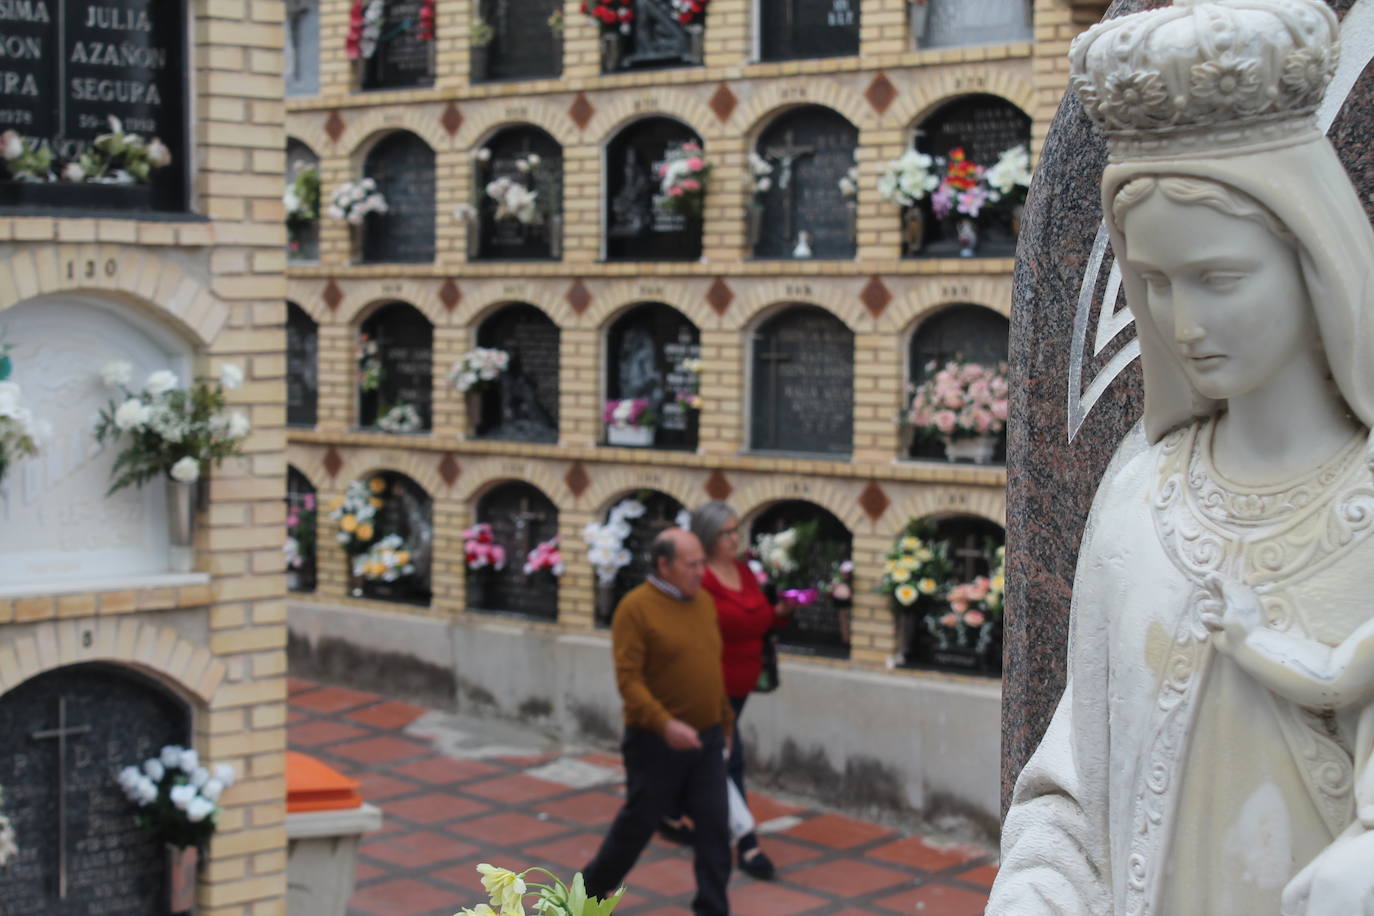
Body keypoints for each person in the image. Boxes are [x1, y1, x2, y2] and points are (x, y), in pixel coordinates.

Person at [989, 1, 1374, 913]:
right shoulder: (1142, 493)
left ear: (1312, 257)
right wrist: (1035, 888)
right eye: (1154, 285)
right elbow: (1073, 785)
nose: (1185, 325)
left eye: (1221, 279)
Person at [582, 527, 734, 916]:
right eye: (692, 564)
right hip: (656, 742)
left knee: (715, 828)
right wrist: (666, 724)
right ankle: (582, 901)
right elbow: (628, 680)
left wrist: (725, 725)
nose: (702, 572)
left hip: (707, 739)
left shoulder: (702, 603)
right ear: (664, 565)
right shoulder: (635, 608)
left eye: (703, 562)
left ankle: (713, 908)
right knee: (637, 827)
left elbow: (711, 667)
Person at [681, 500, 789, 880]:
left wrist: (785, 609)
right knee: (730, 758)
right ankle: (746, 843)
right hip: (711, 686)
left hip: (744, 685)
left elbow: (757, 616)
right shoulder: (701, 578)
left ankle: (675, 812)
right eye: (726, 532)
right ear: (708, 537)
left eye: (735, 530)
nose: (734, 538)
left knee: (709, 758)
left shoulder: (742, 571)